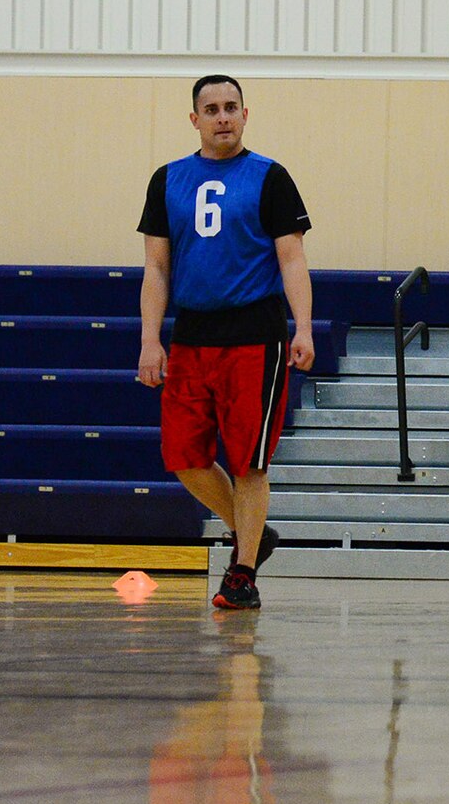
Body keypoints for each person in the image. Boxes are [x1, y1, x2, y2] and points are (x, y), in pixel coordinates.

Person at [137, 75, 314, 612]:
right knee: (184, 455)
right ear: (194, 119)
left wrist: (303, 326)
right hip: (191, 336)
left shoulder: (270, 177)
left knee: (249, 462)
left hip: (255, 337)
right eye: (211, 109)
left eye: (231, 108)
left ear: (245, 114)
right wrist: (151, 339)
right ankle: (255, 536)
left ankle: (242, 571)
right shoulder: (167, 179)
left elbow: (292, 259)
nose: (222, 117)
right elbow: (156, 268)